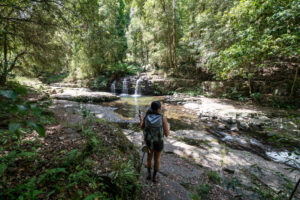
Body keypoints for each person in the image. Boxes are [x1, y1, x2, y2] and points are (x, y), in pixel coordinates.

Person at [139, 101, 170, 182]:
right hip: (158, 142)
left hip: (149, 142)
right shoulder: (162, 118)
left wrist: (141, 118)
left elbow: (142, 127)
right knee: (157, 160)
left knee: (149, 158)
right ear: (159, 109)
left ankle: (148, 174)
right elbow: (167, 134)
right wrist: (168, 127)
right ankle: (154, 177)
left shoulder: (147, 116)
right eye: (160, 108)